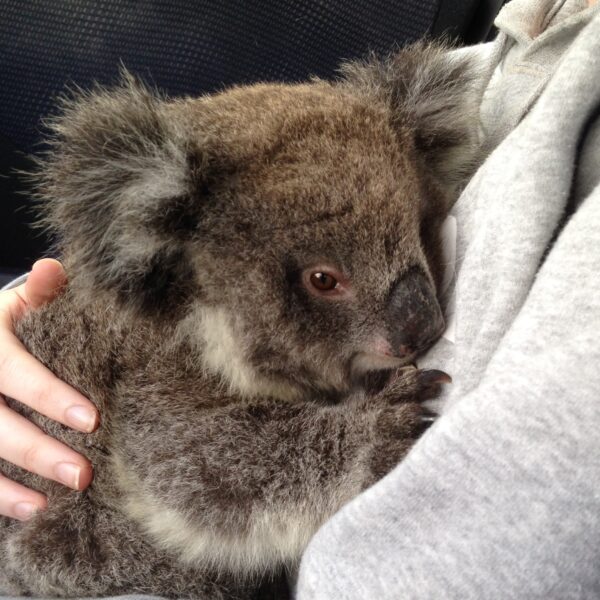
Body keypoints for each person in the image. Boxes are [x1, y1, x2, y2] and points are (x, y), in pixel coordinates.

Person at [1, 0, 599, 597]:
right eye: (324, 281)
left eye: (419, 235)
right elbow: (181, 476)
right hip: (72, 538)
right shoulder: (191, 307)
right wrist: (351, 449)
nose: (423, 326)